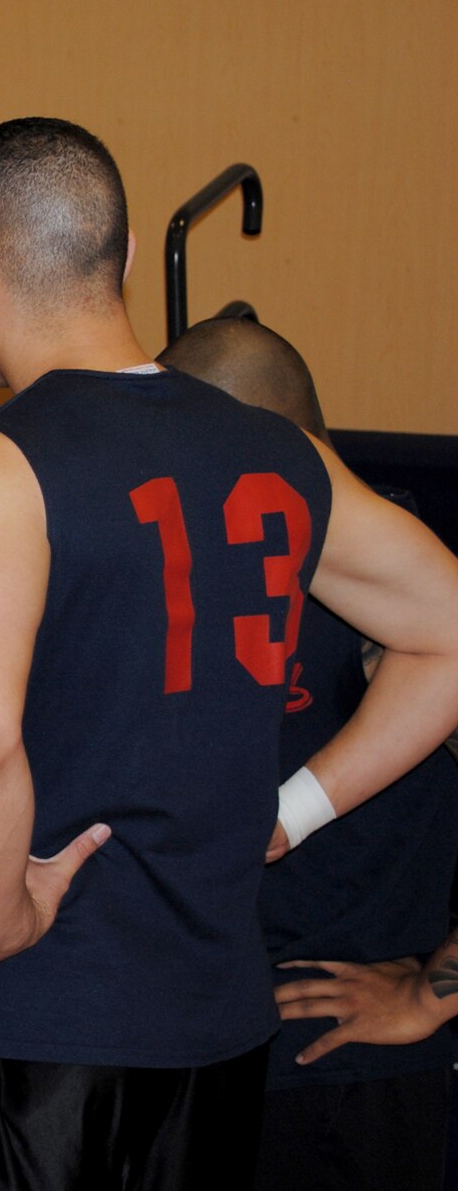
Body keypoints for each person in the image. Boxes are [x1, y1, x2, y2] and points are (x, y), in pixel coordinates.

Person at [0, 116, 458, 1190]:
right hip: (215, 1025)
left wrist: (2, 912)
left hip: (31, 1022)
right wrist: (290, 814)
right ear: (131, 253)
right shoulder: (279, 452)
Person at [159, 315, 458, 1191]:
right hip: (197, 1038)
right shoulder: (213, 569)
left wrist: (433, 993)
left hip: (337, 1070)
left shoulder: (400, 592)